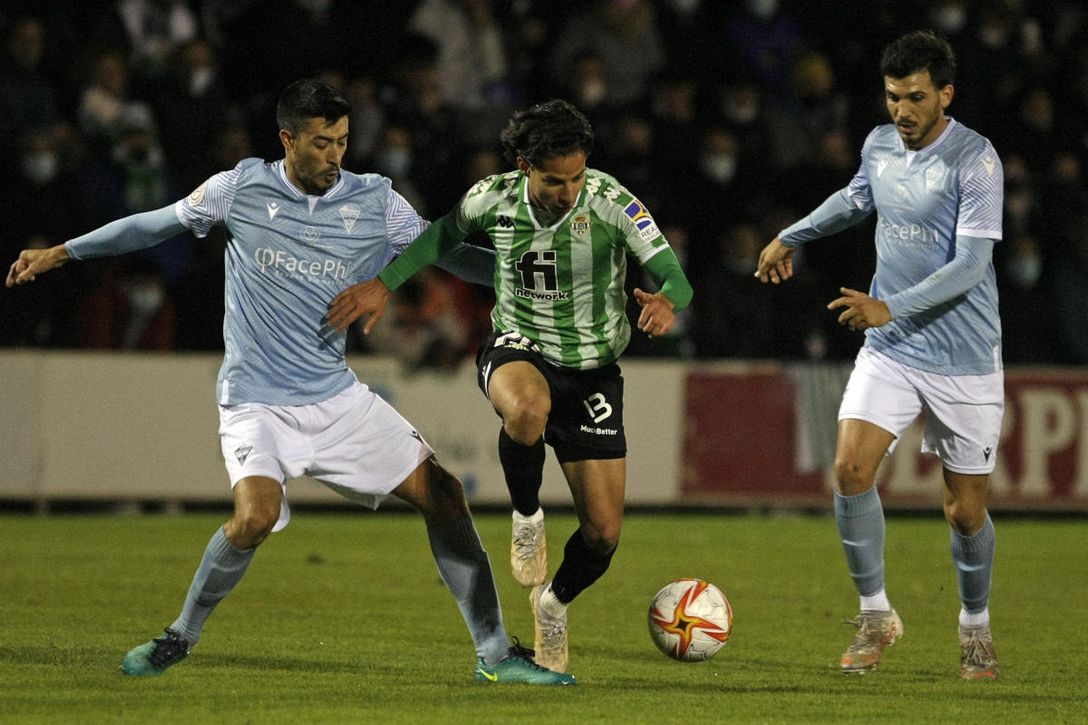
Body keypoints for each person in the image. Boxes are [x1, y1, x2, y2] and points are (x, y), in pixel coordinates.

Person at [5, 78, 573, 686]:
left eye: (343, 142)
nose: (335, 156)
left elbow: (446, 253)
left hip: (336, 398)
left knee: (445, 494)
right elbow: (154, 224)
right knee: (255, 518)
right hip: (256, 402)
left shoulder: (376, 200)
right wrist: (63, 252)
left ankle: (495, 655)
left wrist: (537, 278)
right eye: (322, 143)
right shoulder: (239, 188)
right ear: (288, 139)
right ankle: (180, 636)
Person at [326, 99, 693, 672]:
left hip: (593, 371)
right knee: (525, 409)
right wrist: (384, 283)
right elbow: (440, 237)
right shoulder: (490, 198)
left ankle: (553, 604)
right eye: (554, 181)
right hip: (519, 344)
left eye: (576, 177)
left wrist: (668, 300)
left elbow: (675, 276)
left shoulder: (612, 201)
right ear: (525, 167)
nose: (568, 192)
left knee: (602, 534)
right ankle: (526, 518)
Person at [755, 30, 1003, 680]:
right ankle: (875, 615)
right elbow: (855, 199)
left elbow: (971, 265)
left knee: (965, 510)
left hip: (963, 356)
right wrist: (791, 235)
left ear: (945, 95)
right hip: (891, 349)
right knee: (849, 469)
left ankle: (974, 623)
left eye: (915, 97)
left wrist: (890, 305)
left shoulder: (975, 160)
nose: (902, 110)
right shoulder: (879, 144)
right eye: (893, 97)